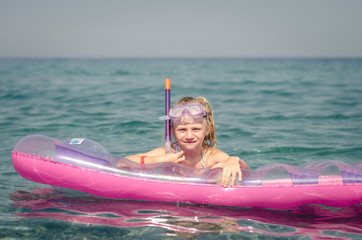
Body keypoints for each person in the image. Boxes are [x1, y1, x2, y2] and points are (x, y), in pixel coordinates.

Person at [117, 96, 249, 187]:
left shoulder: (213, 157)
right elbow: (122, 163)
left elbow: (246, 173)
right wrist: (160, 160)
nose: (189, 135)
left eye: (196, 129)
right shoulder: (168, 152)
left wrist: (234, 160)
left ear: (207, 130)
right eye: (182, 130)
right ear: (173, 131)